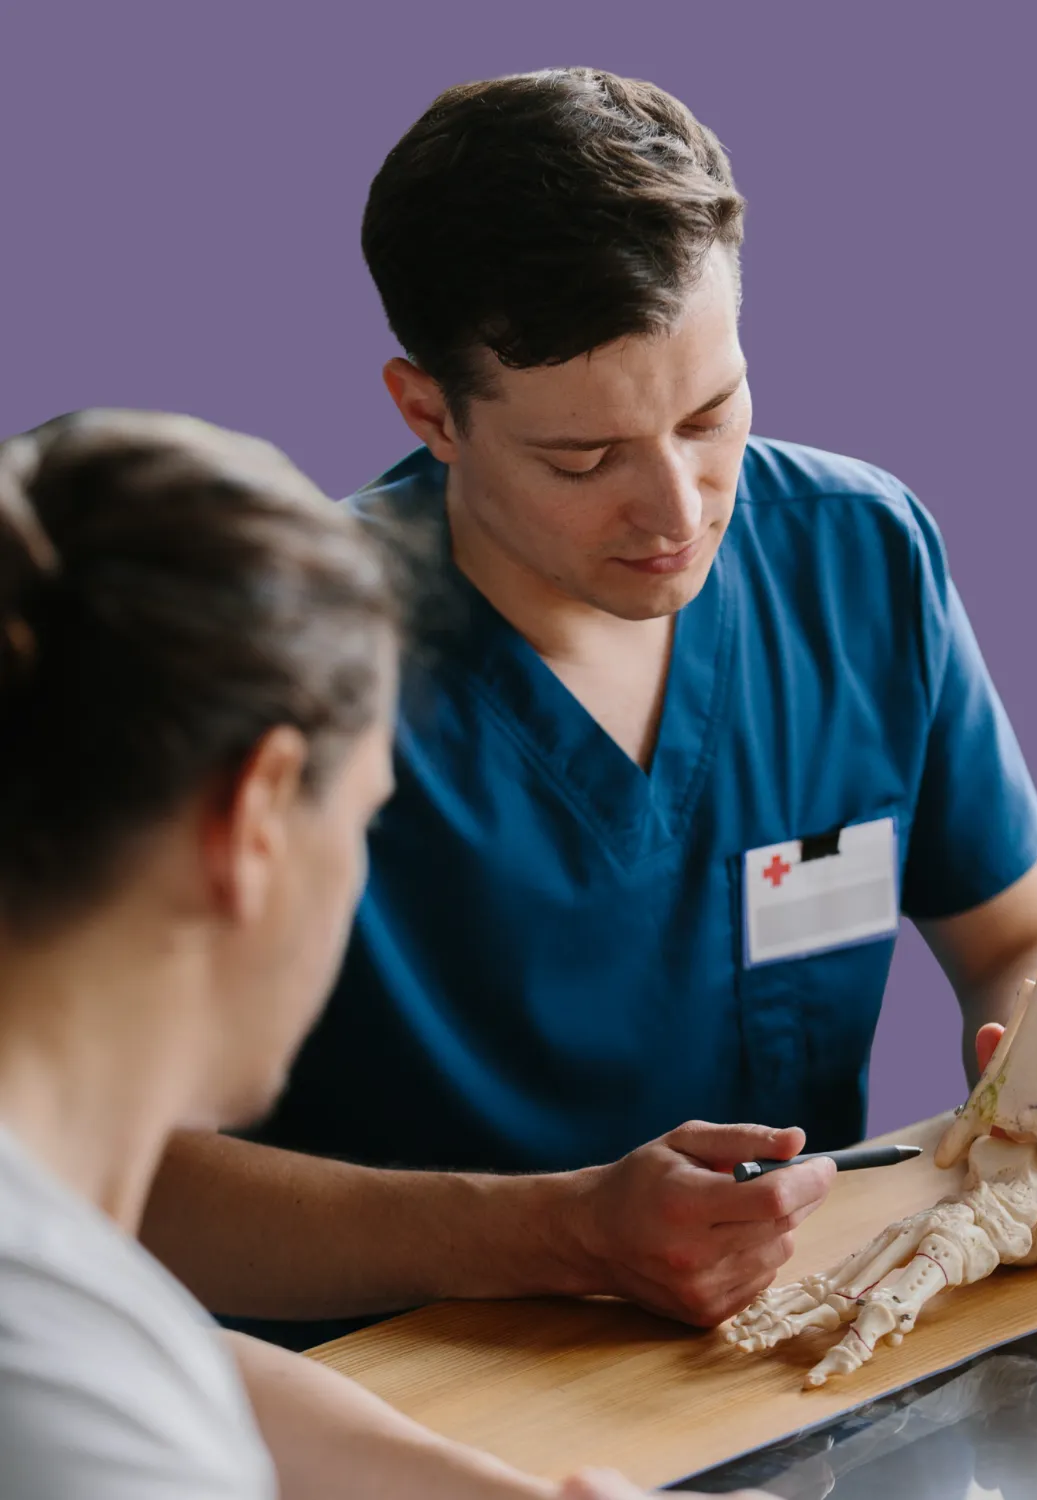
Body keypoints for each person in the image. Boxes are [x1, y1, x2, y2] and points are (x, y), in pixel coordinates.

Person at [141, 68, 1037, 1355]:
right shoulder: (260, 664)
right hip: (388, 1398)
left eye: (710, 414)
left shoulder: (857, 557)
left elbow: (1031, 928)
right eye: (584, 459)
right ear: (427, 412)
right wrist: (551, 1235)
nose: (679, 514)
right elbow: (118, 1183)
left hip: (782, 1357)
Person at [0, 409, 729, 1500]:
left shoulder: (59, 1267)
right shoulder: (54, 1386)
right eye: (360, 819)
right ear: (252, 825)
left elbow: (179, 1364)